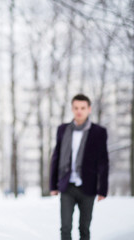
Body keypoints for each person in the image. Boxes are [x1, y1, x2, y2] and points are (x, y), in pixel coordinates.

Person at [49, 94, 109, 240]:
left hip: (88, 186)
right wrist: (53, 185)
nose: (79, 111)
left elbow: (103, 161)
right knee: (65, 228)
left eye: (82, 108)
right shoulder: (63, 129)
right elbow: (56, 156)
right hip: (67, 186)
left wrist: (102, 189)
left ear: (89, 109)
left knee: (84, 228)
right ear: (72, 109)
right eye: (76, 108)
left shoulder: (98, 132)